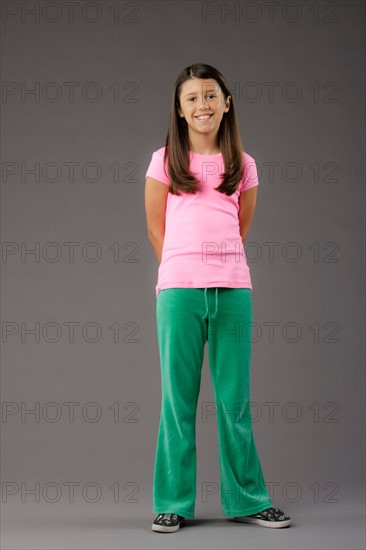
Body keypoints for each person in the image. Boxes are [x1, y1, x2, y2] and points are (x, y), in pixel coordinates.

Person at [144, 63, 292, 533]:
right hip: (178, 294)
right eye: (191, 98)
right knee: (177, 402)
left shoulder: (244, 165)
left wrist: (220, 265)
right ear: (180, 110)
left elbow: (241, 227)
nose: (202, 105)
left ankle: (248, 499)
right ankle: (172, 503)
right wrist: (182, 270)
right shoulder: (164, 160)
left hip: (232, 292)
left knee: (235, 402)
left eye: (210, 96)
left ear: (226, 103)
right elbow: (156, 228)